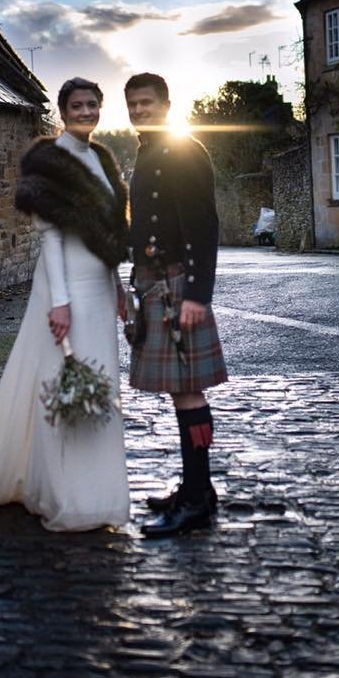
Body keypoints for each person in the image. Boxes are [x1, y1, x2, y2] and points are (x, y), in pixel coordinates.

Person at [0, 78, 132, 532]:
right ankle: (62, 491)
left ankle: (99, 491)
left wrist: (117, 285)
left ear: (100, 109)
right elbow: (51, 236)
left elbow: (106, 234)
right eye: (76, 105)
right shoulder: (46, 160)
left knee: (99, 378)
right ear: (62, 111)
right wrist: (59, 303)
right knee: (63, 377)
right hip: (66, 285)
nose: (85, 111)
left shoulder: (101, 159)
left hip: (98, 284)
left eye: (92, 104)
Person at [123, 72, 229, 538]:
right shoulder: (149, 151)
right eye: (133, 105)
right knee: (178, 390)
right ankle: (193, 489)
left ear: (167, 104)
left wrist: (197, 294)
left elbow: (204, 226)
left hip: (176, 285)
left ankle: (199, 497)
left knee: (188, 389)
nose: (140, 111)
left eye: (147, 103)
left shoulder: (184, 150)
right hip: (153, 283)